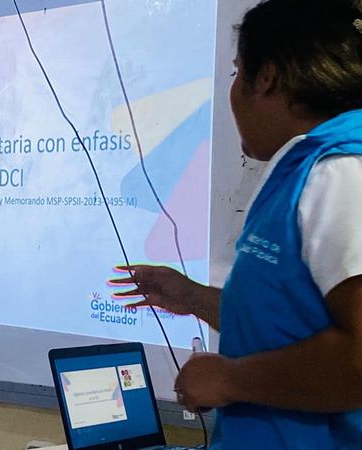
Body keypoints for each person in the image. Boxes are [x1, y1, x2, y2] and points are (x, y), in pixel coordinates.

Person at [109, 0, 362, 448]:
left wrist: (229, 379)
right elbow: (289, 321)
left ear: (266, 78)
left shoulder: (340, 174)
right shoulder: (302, 171)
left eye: (236, 73)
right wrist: (191, 296)